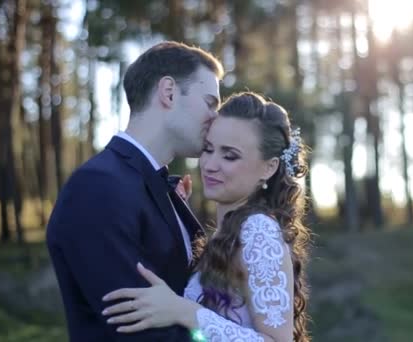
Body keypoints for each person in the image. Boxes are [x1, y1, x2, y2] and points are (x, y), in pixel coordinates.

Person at [46, 41, 223, 341]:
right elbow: (136, 328)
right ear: (168, 92)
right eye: (210, 102)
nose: (215, 117)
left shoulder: (155, 186)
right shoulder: (97, 187)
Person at [100, 92, 312, 341]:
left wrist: (187, 312)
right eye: (208, 149)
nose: (210, 164)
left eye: (229, 155)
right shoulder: (231, 230)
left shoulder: (258, 231)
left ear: (269, 167)